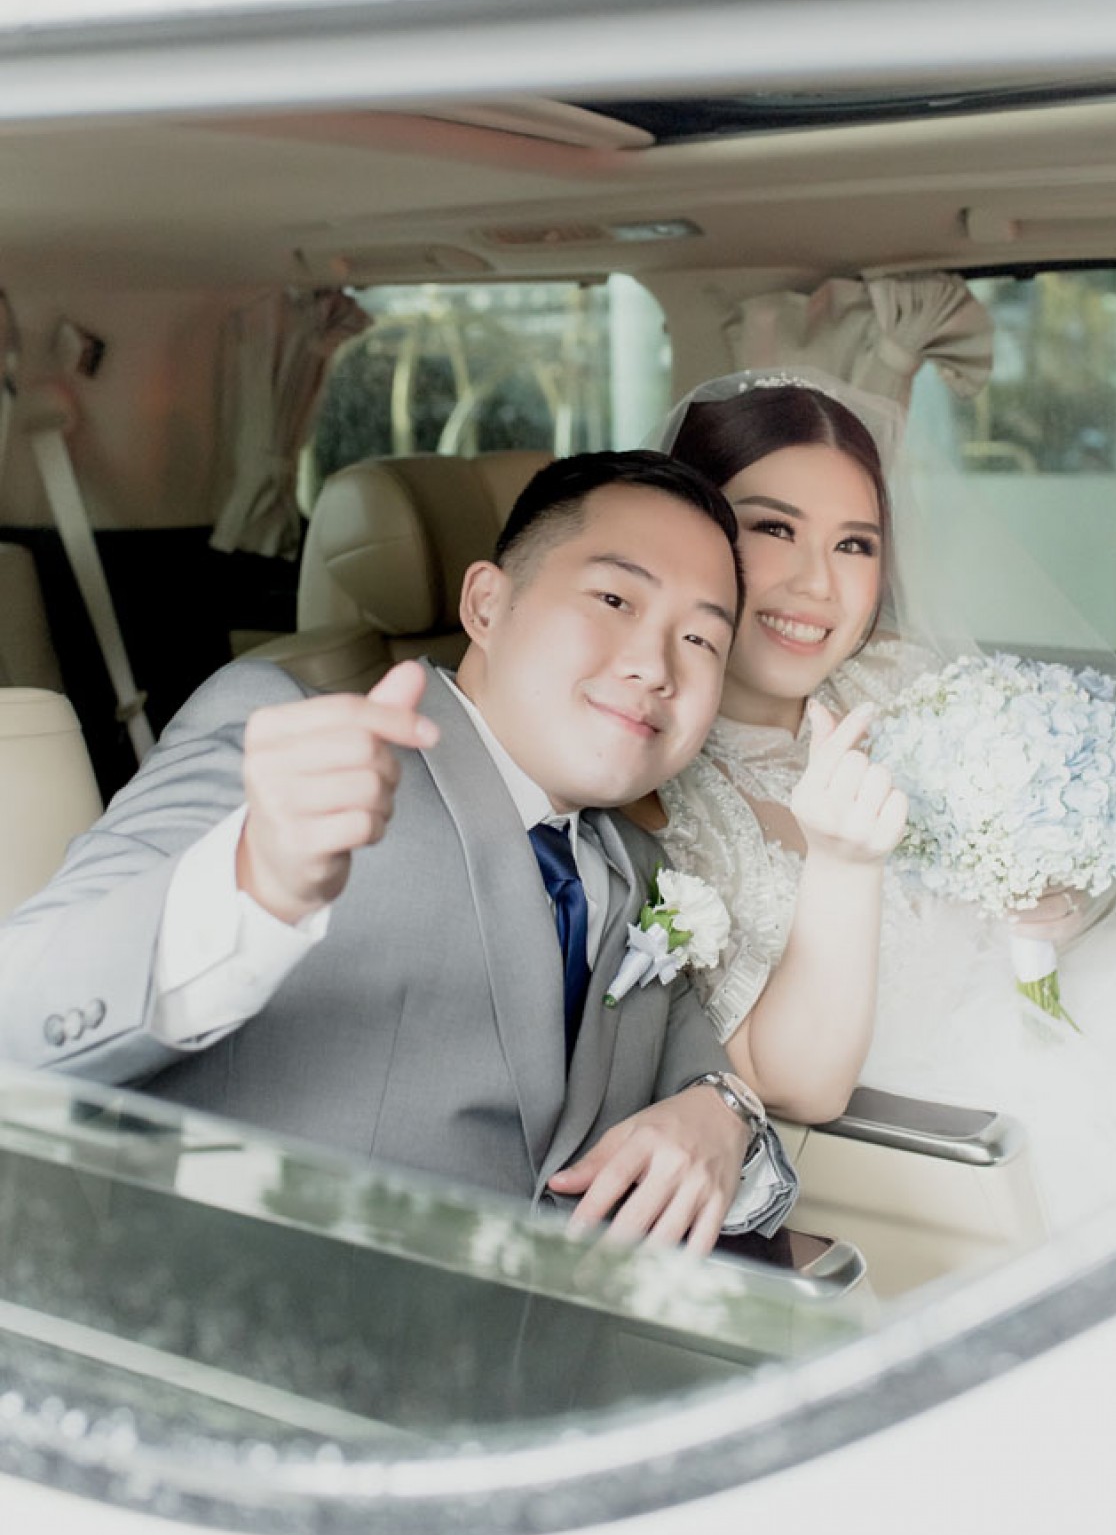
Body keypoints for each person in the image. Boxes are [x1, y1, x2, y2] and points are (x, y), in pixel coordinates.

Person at [0, 449, 795, 1253]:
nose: (655, 666)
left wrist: (722, 1110)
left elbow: (704, 1077)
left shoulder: (640, 867)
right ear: (486, 603)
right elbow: (18, 1017)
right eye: (615, 598)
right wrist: (250, 882)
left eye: (701, 638)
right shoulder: (290, 744)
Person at [646, 369, 1116, 1231]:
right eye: (773, 528)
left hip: (1082, 1020)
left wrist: (1054, 905)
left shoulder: (906, 679)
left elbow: (1013, 885)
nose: (818, 584)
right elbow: (787, 1084)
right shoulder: (653, 789)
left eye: (855, 545)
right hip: (917, 1136)